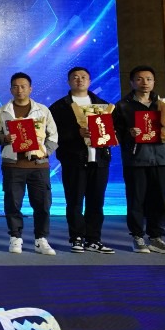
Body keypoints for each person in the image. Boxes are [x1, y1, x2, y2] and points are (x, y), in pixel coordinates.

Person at [48, 67, 115, 254]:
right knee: (75, 201)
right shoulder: (59, 107)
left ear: (90, 81)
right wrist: (76, 133)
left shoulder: (103, 105)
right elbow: (53, 134)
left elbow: (112, 129)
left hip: (99, 160)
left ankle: (94, 239)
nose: (79, 80)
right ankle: (76, 237)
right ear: (69, 82)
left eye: (84, 77)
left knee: (96, 202)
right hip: (74, 160)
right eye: (75, 77)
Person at [113, 65, 165, 254]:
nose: (145, 83)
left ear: (154, 82)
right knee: (136, 199)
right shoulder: (122, 106)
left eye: (149, 79)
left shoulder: (164, 105)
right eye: (139, 79)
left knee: (158, 199)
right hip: (136, 159)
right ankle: (137, 236)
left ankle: (156, 237)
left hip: (160, 158)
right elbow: (114, 133)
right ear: (132, 82)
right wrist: (129, 133)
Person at [0, 72, 58, 255]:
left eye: (23, 86)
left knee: (43, 204)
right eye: (15, 86)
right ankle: (15, 237)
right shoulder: (2, 111)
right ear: (10, 89)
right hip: (13, 165)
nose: (19, 90)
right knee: (13, 204)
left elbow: (53, 136)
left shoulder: (43, 110)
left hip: (38, 166)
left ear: (30, 88)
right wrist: (5, 138)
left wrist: (44, 152)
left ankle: (41, 239)